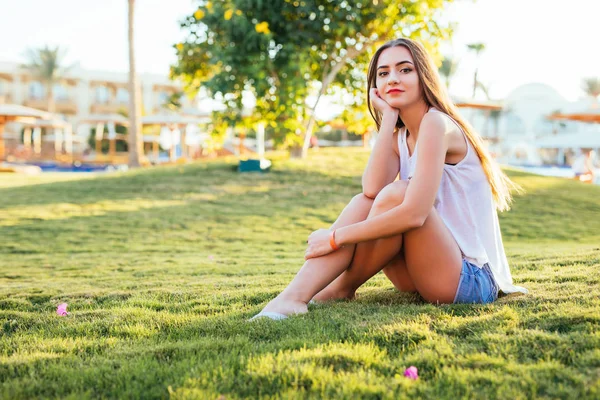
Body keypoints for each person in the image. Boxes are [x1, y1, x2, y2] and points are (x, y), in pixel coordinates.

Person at [250, 38, 528, 321]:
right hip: (424, 270)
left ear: (424, 77)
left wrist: (334, 239)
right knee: (365, 201)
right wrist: (387, 119)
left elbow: (415, 214)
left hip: (471, 280)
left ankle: (339, 288)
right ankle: (293, 297)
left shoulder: (437, 123)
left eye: (405, 70)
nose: (392, 78)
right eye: (383, 73)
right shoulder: (402, 136)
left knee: (398, 195)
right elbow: (371, 190)